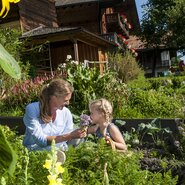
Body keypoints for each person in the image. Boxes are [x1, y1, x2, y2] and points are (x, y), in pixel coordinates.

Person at [23, 78, 86, 151]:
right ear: (53, 97)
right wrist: (70, 136)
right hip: (36, 150)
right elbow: (41, 141)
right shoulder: (32, 109)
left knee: (78, 139)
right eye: (65, 100)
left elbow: (65, 137)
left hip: (59, 150)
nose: (68, 103)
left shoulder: (66, 112)